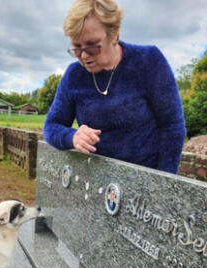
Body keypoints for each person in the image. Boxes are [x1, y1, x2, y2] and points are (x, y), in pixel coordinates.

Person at [43, 0, 186, 174]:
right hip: (97, 179)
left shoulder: (148, 61)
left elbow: (172, 125)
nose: (84, 56)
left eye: (92, 45)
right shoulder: (74, 75)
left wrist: (164, 182)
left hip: (145, 177)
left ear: (114, 35)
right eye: (77, 48)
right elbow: (51, 126)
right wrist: (71, 137)